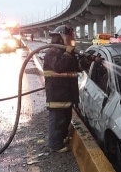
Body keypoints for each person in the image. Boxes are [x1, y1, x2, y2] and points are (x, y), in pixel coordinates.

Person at [43, 25, 102, 153]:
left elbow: (77, 67)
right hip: (56, 93)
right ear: (60, 38)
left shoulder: (65, 53)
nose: (71, 41)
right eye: (68, 38)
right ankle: (55, 145)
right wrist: (67, 53)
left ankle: (62, 138)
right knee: (57, 120)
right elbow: (58, 67)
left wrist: (88, 60)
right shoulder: (52, 52)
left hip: (66, 92)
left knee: (65, 118)